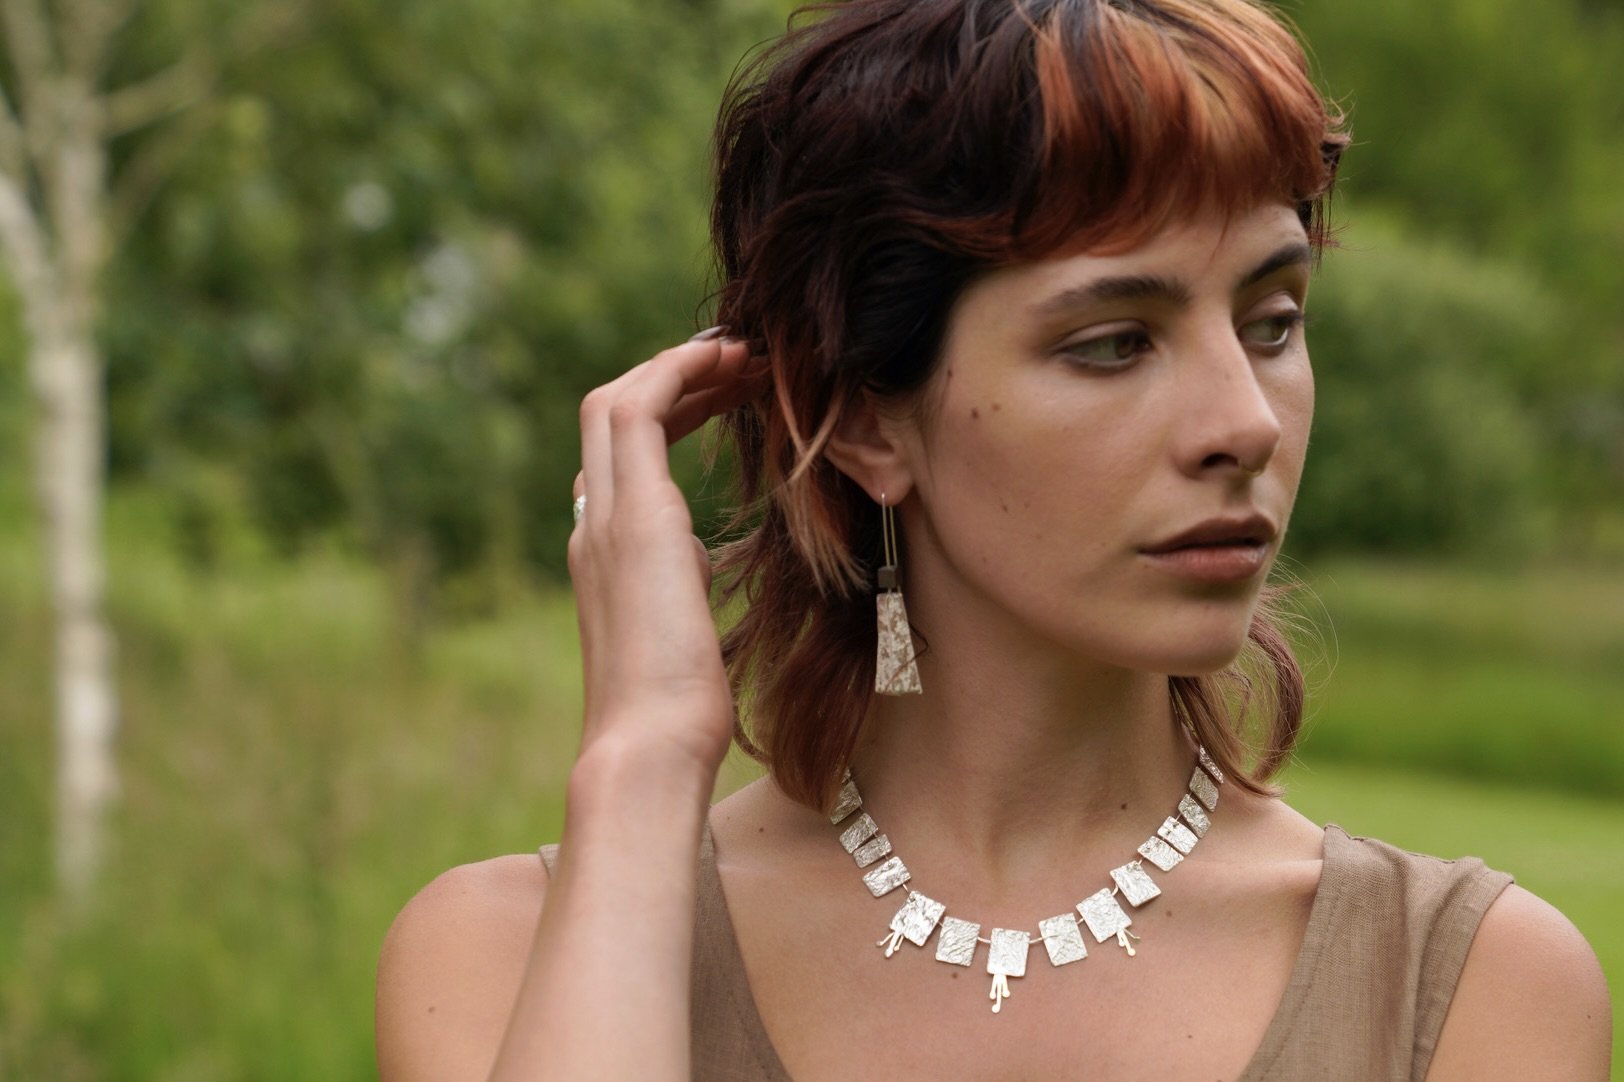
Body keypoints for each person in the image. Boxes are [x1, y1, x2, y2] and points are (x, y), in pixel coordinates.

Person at [375, 0, 1613, 1078]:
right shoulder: (500, 954)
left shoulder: (1464, 988)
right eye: (1113, 341)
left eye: (1273, 320)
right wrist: (643, 761)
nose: (1242, 420)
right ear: (861, 417)